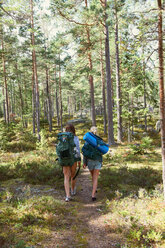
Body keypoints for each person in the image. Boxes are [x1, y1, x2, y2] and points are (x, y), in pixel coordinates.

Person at [83, 126, 102, 201]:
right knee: (95, 178)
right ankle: (93, 195)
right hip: (98, 161)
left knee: (93, 177)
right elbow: (102, 152)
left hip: (90, 161)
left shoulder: (87, 141)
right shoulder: (99, 140)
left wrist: (84, 162)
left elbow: (84, 153)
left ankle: (93, 192)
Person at [63, 123, 81, 202]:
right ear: (73, 130)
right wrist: (79, 159)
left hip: (65, 159)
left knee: (66, 177)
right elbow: (77, 149)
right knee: (73, 175)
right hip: (73, 158)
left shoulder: (63, 137)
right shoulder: (75, 138)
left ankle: (68, 196)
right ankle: (72, 190)